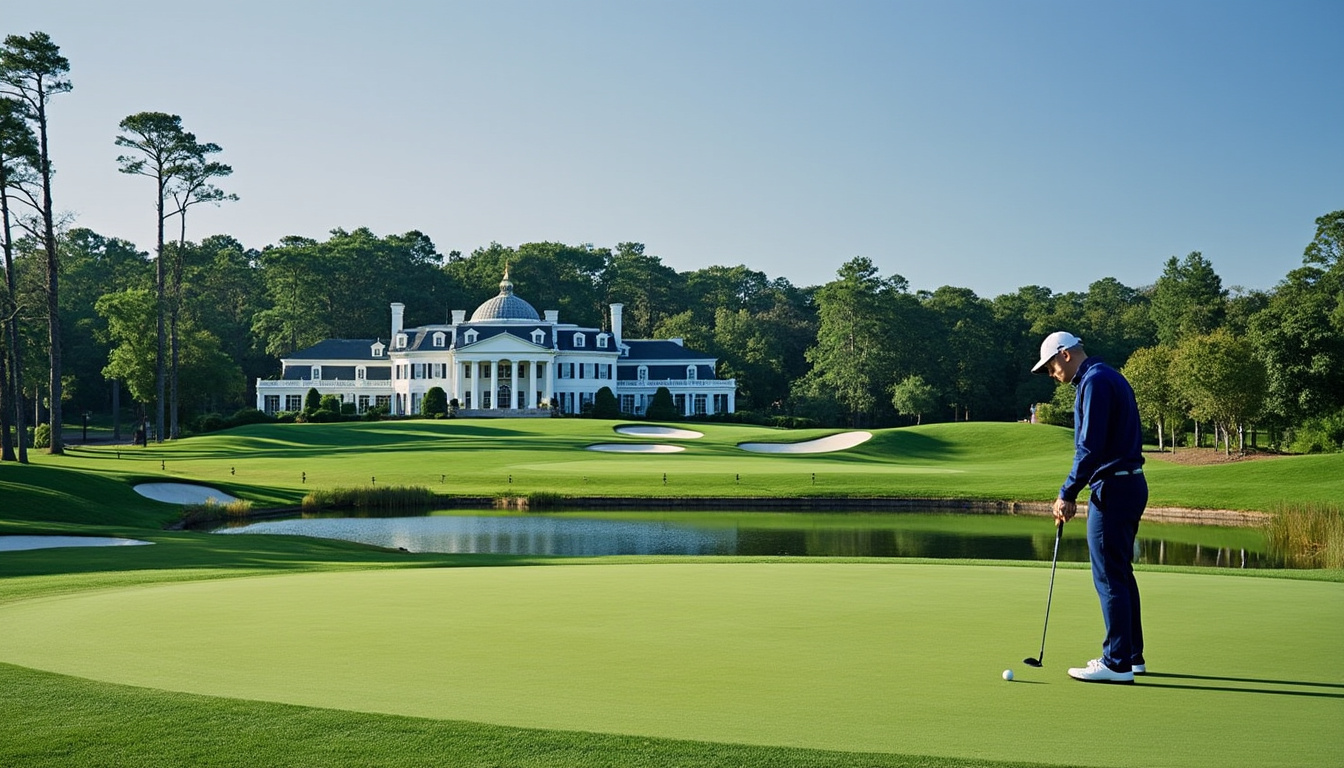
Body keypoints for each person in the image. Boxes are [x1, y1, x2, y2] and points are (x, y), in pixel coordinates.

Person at [1032, 331, 1147, 684]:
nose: (1051, 374)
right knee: (1121, 572)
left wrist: (1067, 492)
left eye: (1050, 366)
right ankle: (1131, 655)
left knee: (1109, 575)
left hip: (1112, 488)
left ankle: (1116, 663)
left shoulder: (1094, 382)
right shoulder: (1107, 375)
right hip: (1128, 484)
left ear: (1065, 355)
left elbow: (1090, 447)